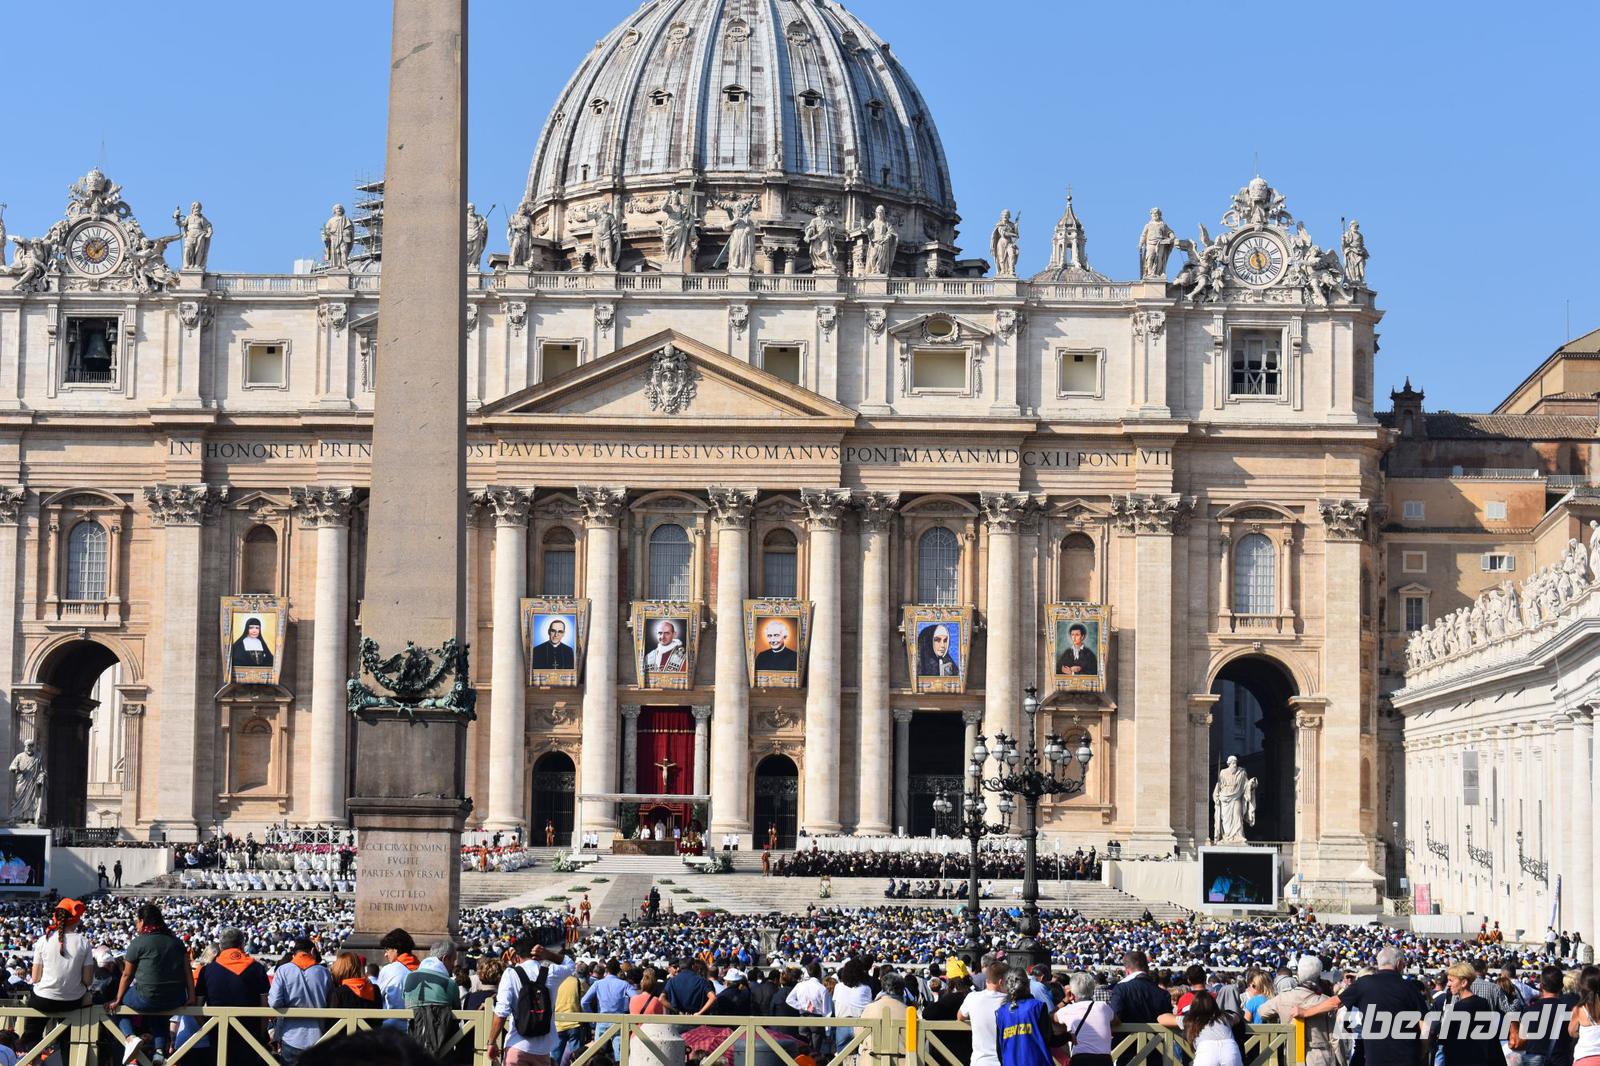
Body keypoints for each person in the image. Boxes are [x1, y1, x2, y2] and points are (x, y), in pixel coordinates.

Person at [1293, 945, 1431, 1066]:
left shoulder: (1365, 983)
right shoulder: (1411, 988)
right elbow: (1425, 1025)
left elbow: (1334, 1003)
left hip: (1376, 1058)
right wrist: (1422, 1051)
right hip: (1407, 1057)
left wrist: (1306, 1012)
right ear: (1400, 964)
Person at [108, 903, 194, 1060]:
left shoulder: (138, 942)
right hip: (176, 999)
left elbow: (127, 975)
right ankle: (159, 1051)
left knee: (118, 1007)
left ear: (143, 921)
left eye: (137, 921)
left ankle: (130, 1037)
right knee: (156, 1011)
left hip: (148, 997)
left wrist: (118, 999)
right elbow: (188, 972)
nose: (136, 925)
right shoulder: (176, 942)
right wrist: (191, 997)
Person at [491, 927, 576, 1066]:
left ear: (517, 956)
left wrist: (492, 1041)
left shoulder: (510, 974)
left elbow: (502, 1011)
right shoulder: (551, 972)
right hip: (543, 1050)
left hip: (517, 1045)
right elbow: (571, 965)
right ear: (538, 954)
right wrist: (548, 954)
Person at [23, 898, 93, 1060]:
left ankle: (31, 1061)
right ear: (76, 919)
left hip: (43, 999)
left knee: (31, 1035)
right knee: (68, 1040)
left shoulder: (43, 940)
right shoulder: (84, 942)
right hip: (72, 1002)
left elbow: (35, 978)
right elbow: (88, 981)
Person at [196, 927, 272, 1064]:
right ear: (242, 944)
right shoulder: (257, 968)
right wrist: (261, 1034)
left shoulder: (206, 971)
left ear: (220, 946)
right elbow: (264, 1006)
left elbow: (197, 1007)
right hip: (250, 1034)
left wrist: (209, 1030)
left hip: (218, 1032)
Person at [1256, 957, 1335, 1066]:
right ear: (1318, 976)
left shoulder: (1283, 998)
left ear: (1298, 974)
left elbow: (1262, 1012)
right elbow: (1335, 1039)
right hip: (1320, 1056)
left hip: (1291, 1054)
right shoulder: (1326, 1001)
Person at [269, 937, 331, 1065]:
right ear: (313, 951)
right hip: (318, 1036)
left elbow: (274, 1002)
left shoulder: (283, 970)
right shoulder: (324, 972)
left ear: (294, 953)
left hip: (291, 1035)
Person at [1431, 961, 1506, 1066]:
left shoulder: (1457, 1009)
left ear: (1464, 983)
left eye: (1451, 980)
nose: (1448, 984)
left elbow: (1445, 1041)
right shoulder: (1482, 1003)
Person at [1512, 964, 1576, 1066]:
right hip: (1560, 1061)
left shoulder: (1529, 1010)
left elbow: (1522, 1037)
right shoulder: (1569, 1011)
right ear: (1561, 987)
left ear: (1541, 986)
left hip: (1535, 1062)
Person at [1159, 988, 1242, 1066]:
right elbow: (1237, 1017)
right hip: (1230, 1048)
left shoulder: (1191, 1020)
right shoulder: (1224, 1018)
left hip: (1207, 1050)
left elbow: (1161, 1018)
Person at [997, 969, 1056, 1066]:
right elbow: (1049, 1039)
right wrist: (1068, 1036)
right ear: (1027, 984)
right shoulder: (1037, 1007)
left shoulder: (1001, 1012)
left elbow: (1000, 1048)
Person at [1055, 973, 1114, 1066]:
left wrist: (1065, 1000)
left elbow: (1050, 1016)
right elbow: (1116, 1021)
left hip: (1080, 1059)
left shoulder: (1067, 1010)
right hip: (1104, 1060)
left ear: (1072, 991)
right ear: (1093, 989)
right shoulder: (1103, 1006)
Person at [960, 961, 1010, 1066]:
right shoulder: (1012, 1002)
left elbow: (960, 1016)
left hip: (980, 1061)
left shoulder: (972, 998)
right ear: (1001, 982)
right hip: (1005, 1061)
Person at [861, 970, 912, 1066]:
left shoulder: (869, 1008)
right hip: (902, 1060)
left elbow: (859, 1036)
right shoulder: (908, 1011)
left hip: (872, 1059)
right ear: (901, 989)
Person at [375, 928, 422, 1027]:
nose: (385, 954)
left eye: (387, 949)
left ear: (396, 949)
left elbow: (377, 997)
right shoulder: (423, 967)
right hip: (418, 1030)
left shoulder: (389, 969)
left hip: (391, 1029)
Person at [1109, 951, 1173, 1024]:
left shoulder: (1121, 989)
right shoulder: (1164, 993)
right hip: (1158, 1035)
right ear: (1147, 969)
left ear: (1127, 971)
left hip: (1126, 1034)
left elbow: (1114, 1018)